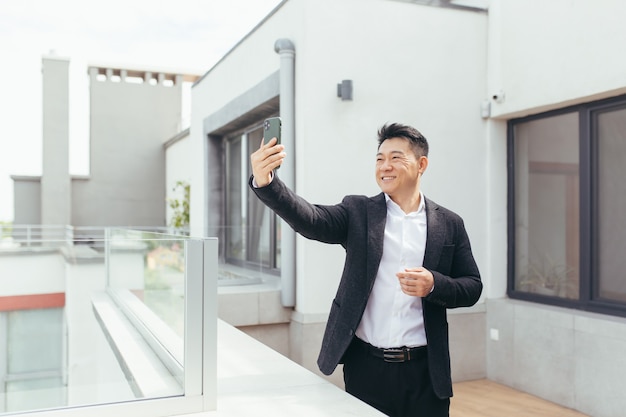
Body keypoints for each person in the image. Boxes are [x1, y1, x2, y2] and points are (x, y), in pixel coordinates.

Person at [249, 122, 482, 417]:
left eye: (396, 158)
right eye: (379, 159)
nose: (385, 166)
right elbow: (312, 219)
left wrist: (434, 284)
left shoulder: (449, 223)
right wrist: (267, 182)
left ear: (421, 164)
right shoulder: (358, 212)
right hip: (367, 368)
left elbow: (473, 286)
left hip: (426, 372)